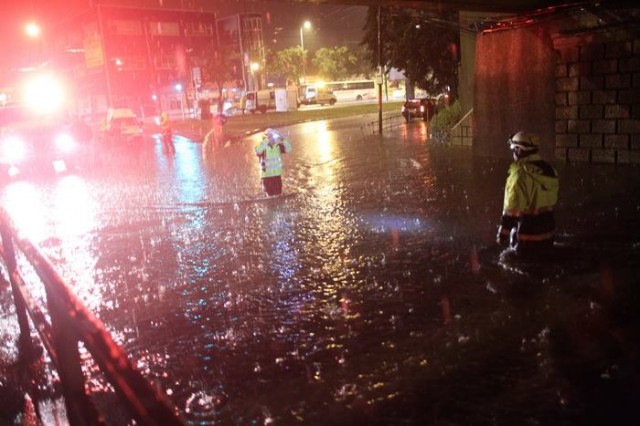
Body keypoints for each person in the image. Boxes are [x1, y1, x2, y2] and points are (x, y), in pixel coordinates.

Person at [496, 131, 559, 259]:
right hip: (548, 235)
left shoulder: (519, 175)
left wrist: (502, 235)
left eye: (514, 149)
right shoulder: (549, 170)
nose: (513, 153)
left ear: (519, 150)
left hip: (527, 237)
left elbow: (512, 211)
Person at [255, 128, 292, 197]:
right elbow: (257, 151)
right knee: (269, 198)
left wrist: (283, 139)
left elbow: (289, 149)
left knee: (278, 196)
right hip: (267, 177)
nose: (273, 139)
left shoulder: (278, 147)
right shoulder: (262, 147)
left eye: (274, 137)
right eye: (271, 137)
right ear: (267, 137)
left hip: (277, 176)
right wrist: (267, 140)